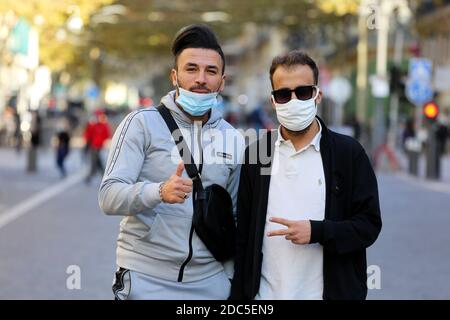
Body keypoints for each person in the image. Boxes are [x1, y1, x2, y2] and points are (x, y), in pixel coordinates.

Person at [99, 24, 245, 300]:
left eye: (210, 71)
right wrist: (158, 192)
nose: (201, 78)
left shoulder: (235, 139)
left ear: (222, 81)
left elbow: (236, 217)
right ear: (175, 76)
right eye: (191, 69)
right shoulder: (140, 124)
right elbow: (108, 196)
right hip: (145, 278)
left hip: (210, 283)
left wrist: (228, 280)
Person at [230, 50, 382, 300]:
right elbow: (244, 237)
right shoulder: (257, 154)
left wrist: (318, 232)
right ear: (273, 100)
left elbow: (369, 226)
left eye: (302, 92)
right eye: (283, 94)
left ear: (317, 95)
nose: (293, 100)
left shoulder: (348, 154)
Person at [84, 109, 110, 183]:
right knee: (97, 162)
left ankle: (91, 176)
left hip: (98, 146)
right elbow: (88, 134)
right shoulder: (93, 125)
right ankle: (103, 177)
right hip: (93, 146)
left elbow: (106, 135)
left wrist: (101, 143)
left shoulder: (103, 125)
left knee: (96, 162)